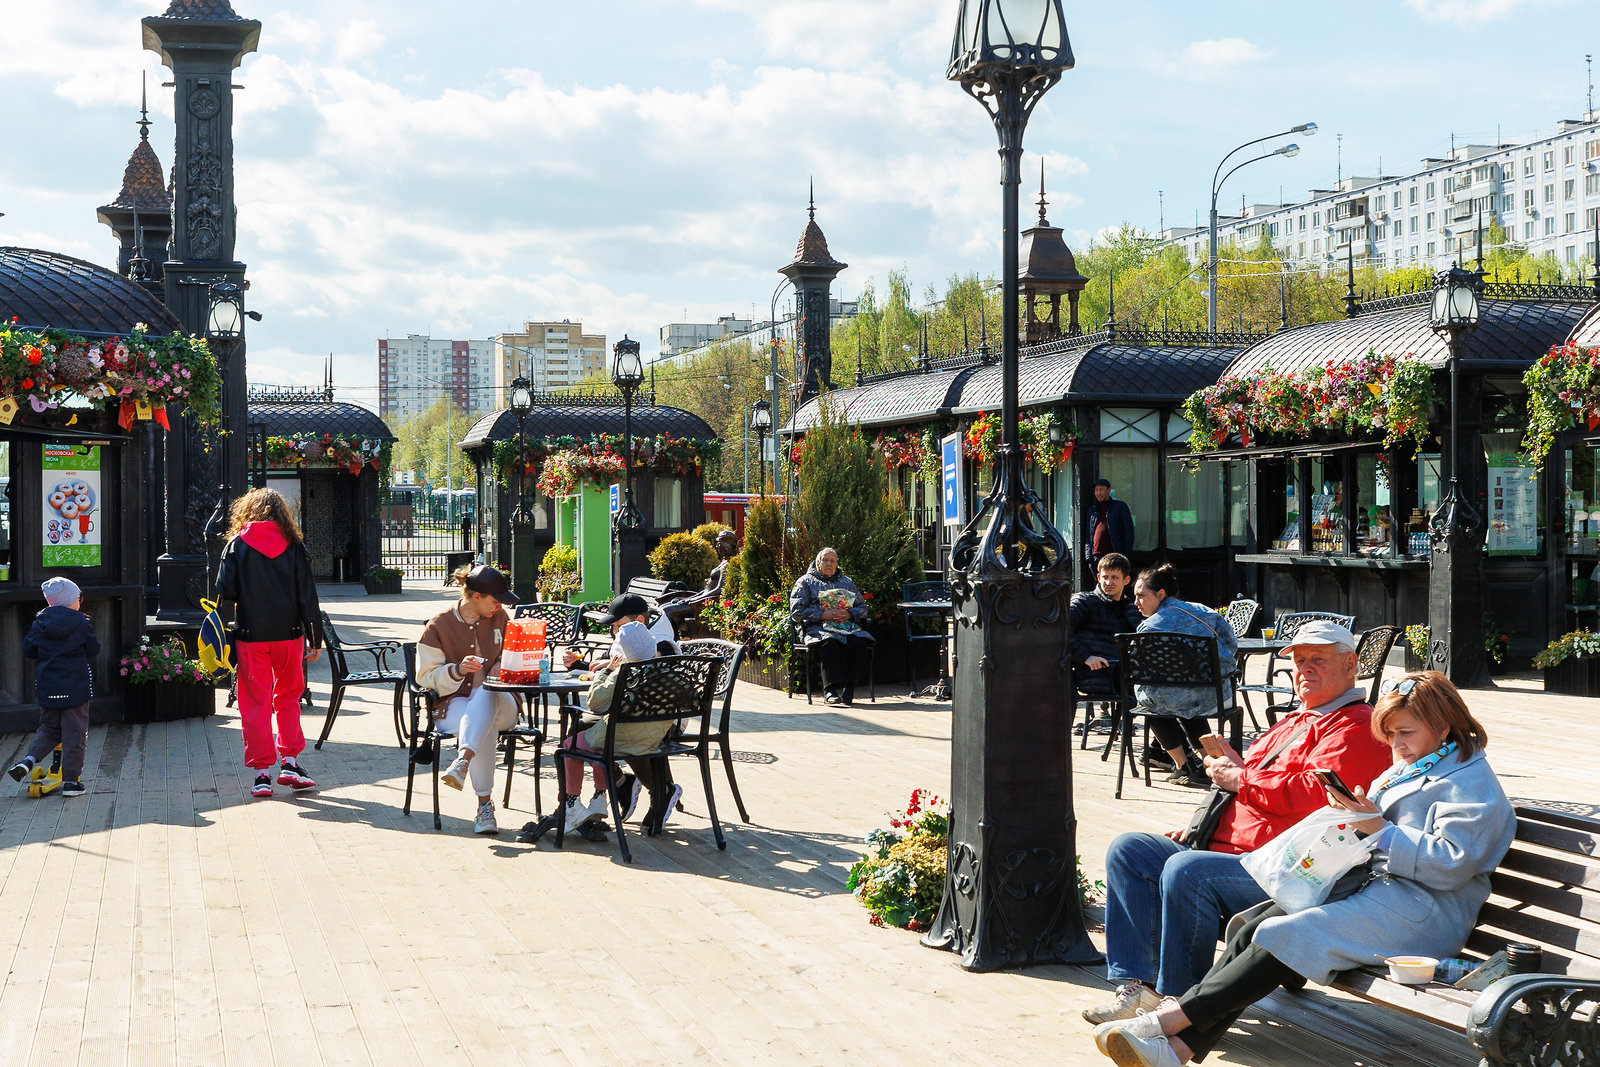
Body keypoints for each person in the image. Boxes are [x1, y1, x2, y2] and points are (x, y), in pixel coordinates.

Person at [1091, 671, 1515, 1067]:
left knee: (1287, 933)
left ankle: (1164, 1025)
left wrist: (1379, 830)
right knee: (1255, 925)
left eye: (1406, 733)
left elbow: (1452, 865)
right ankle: (1179, 1050)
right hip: (1380, 893)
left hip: (1424, 911)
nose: (1397, 745)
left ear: (1443, 726)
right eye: (1391, 736)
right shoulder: (1420, 762)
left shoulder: (1472, 784)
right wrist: (1350, 816)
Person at [1082, 619, 1393, 1025]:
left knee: (1187, 870)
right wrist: (1202, 824)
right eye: (1299, 661)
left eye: (1318, 659)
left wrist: (1242, 778)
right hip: (1231, 854)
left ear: (1351, 664)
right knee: (1131, 850)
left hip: (1286, 872)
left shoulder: (1357, 726)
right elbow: (1254, 787)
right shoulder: (1296, 719)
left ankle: (1179, 1009)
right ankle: (1140, 987)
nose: (1305, 669)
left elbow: (1315, 798)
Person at [216, 488, 323, 800]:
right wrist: (314, 638)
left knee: (255, 704)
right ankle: (290, 763)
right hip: (289, 635)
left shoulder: (236, 545)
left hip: (250, 635)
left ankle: (262, 774)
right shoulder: (294, 545)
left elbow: (225, 590)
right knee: (288, 698)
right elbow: (308, 595)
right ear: (281, 514)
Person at [562, 592, 683, 831]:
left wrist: (607, 671)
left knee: (593, 729)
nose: (614, 632)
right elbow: (614, 667)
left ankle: (652, 789)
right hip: (640, 714)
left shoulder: (660, 645)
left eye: (618, 625)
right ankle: (618, 783)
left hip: (657, 719)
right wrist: (579, 665)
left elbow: (623, 679)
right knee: (586, 725)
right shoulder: (639, 638)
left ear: (639, 620)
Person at [417, 563, 519, 835]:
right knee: (483, 728)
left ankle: (463, 759)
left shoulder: (501, 618)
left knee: (488, 691)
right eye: (496, 600)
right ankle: (485, 809)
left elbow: (516, 653)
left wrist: (502, 664)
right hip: (454, 704)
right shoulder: (438, 625)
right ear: (476, 597)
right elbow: (425, 677)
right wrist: (457, 669)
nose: (499, 606)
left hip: (504, 705)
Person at [1129, 564, 1240, 788]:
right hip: (1218, 695)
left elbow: (1141, 670)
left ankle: (1183, 765)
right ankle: (1213, 762)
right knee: (1185, 697)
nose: (1136, 603)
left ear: (1161, 594)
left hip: (1178, 700)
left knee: (1153, 704)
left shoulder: (1149, 627)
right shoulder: (1204, 611)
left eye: (1141, 596)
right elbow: (1231, 644)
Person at [10, 577, 100, 798]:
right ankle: (71, 783)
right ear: (73, 600)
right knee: (75, 734)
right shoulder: (81, 623)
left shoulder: (39, 622)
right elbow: (94, 649)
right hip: (75, 688)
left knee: (48, 728)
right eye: (79, 597)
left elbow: (28, 650)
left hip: (47, 686)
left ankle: (28, 760)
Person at [789, 546, 874, 706]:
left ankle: (849, 689)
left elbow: (863, 608)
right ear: (818, 562)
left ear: (837, 564)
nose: (829, 564)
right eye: (825, 560)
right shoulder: (805, 582)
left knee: (860, 642)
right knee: (830, 642)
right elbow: (796, 611)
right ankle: (830, 691)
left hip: (845, 626)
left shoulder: (847, 582)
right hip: (817, 627)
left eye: (832, 561)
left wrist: (849, 614)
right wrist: (822, 614)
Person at [1070, 553, 1141, 735]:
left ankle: (1165, 747)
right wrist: (1085, 656)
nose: (1108, 582)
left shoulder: (1130, 608)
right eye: (1105, 577)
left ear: (1126, 580)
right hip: (1091, 674)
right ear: (1099, 577)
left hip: (1123, 678)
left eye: (1114, 577)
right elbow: (1059, 629)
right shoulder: (1085, 601)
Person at [663, 529, 740, 624]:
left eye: (719, 543)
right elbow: (707, 590)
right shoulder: (722, 563)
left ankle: (666, 638)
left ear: (725, 545)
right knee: (664, 607)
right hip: (700, 600)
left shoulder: (728, 565)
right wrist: (689, 598)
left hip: (704, 604)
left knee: (667, 611)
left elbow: (719, 590)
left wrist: (692, 600)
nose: (717, 546)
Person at [1087, 478, 1135, 571]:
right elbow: (1087, 535)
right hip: (1096, 556)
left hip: (1114, 555)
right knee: (1100, 582)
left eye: (1101, 489)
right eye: (1096, 490)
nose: (1098, 493)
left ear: (1109, 490)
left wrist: (1124, 555)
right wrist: (1088, 556)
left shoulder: (1120, 507)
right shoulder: (1092, 511)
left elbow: (1129, 532)